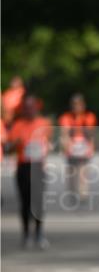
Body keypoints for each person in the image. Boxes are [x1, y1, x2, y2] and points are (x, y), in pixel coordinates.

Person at [6, 94, 52, 248]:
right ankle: (26, 234)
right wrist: (16, 143)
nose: (29, 110)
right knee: (25, 202)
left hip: (38, 167)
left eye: (32, 107)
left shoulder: (43, 123)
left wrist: (47, 147)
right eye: (26, 107)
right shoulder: (18, 125)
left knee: (38, 201)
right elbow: (8, 148)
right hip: (23, 167)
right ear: (23, 109)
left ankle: (39, 233)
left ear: (36, 108)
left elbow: (50, 143)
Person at [58, 93, 97, 200]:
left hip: (84, 147)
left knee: (83, 171)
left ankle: (83, 193)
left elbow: (91, 134)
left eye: (79, 104)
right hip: (71, 148)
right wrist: (66, 147)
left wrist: (91, 148)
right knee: (72, 172)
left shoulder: (89, 117)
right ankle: (72, 192)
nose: (77, 107)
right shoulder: (66, 117)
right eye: (75, 104)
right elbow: (64, 133)